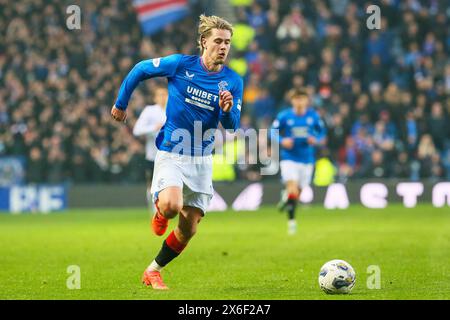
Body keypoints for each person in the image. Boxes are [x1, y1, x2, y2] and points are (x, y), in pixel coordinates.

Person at [111, 15, 243, 290]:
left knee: (190, 228)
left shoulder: (233, 81)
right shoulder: (181, 65)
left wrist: (227, 110)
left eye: (227, 42)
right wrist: (121, 103)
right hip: (172, 151)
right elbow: (140, 69)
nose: (223, 47)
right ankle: (161, 211)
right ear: (204, 42)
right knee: (171, 206)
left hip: (202, 160)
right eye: (218, 41)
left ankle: (153, 270)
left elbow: (231, 126)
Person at [272, 88, 326, 235]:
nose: (299, 101)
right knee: (292, 189)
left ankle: (286, 199)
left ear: (307, 100)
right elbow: (272, 131)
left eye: (302, 98)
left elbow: (322, 132)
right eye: (296, 99)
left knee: (297, 194)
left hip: (307, 159)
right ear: (292, 101)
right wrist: (282, 141)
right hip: (289, 158)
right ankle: (292, 223)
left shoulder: (313, 116)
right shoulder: (284, 116)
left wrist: (316, 139)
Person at [132, 86, 168, 209]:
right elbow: (137, 130)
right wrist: (153, 128)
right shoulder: (150, 111)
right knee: (153, 185)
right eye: (160, 95)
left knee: (169, 184)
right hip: (153, 156)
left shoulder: (174, 110)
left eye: (165, 94)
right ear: (155, 98)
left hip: (171, 156)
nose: (163, 98)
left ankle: (167, 208)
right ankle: (154, 211)